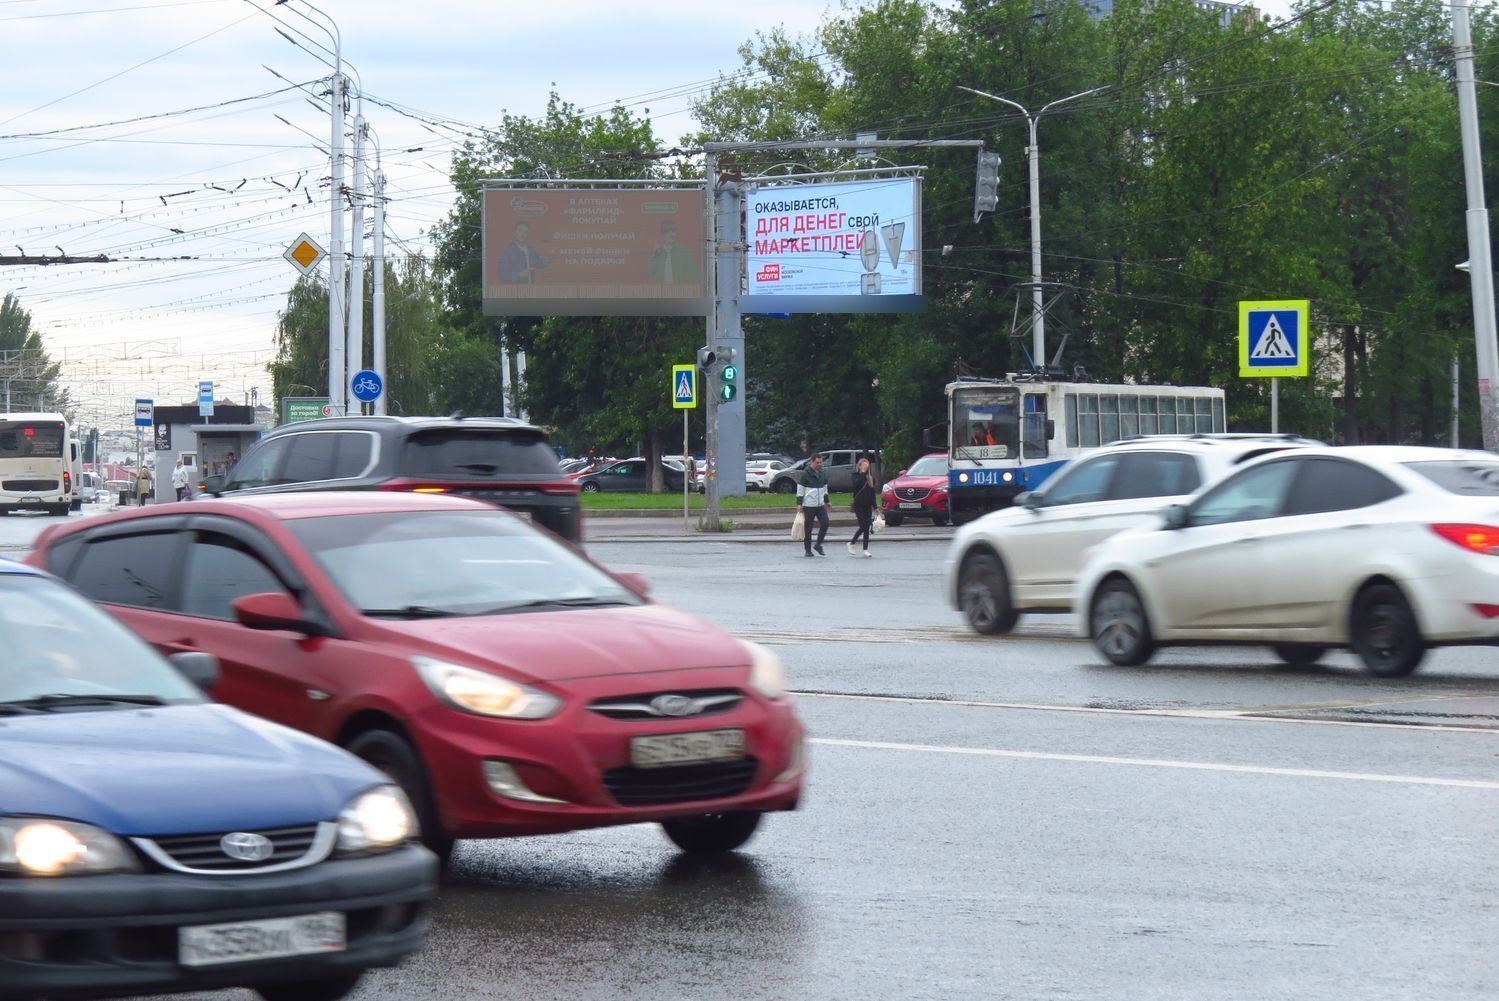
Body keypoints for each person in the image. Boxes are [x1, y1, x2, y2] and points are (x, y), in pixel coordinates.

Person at [644, 219, 699, 285]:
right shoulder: (658, 251)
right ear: (663, 234)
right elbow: (648, 272)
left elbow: (693, 274)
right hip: (661, 293)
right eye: (668, 232)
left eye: (674, 231)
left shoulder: (684, 250)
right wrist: (655, 254)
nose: (672, 234)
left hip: (680, 292)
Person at [796, 453, 830, 557]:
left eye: (821, 462)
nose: (820, 464)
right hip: (809, 505)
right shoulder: (805, 473)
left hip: (820, 505)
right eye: (817, 462)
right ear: (812, 462)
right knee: (808, 528)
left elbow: (825, 488)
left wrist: (827, 501)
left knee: (825, 523)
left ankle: (818, 544)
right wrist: (799, 503)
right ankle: (808, 550)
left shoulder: (823, 473)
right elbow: (800, 489)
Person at [847, 456, 877, 558]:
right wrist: (863, 473)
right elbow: (857, 485)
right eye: (863, 465)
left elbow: (872, 494)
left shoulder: (871, 478)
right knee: (863, 526)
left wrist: (875, 507)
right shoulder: (855, 476)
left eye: (866, 466)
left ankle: (865, 549)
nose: (865, 467)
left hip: (867, 505)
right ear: (859, 466)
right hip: (858, 505)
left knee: (867, 527)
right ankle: (851, 543)